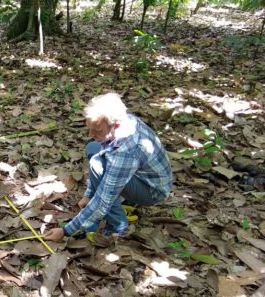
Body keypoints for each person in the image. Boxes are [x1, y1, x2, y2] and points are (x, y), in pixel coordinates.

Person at [43, 93, 172, 241]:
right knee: (93, 147)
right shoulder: (123, 121)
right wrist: (89, 195)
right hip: (139, 174)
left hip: (153, 191)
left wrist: (66, 231)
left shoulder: (127, 150)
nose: (91, 134)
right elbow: (103, 150)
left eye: (97, 131)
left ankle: (118, 226)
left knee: (98, 165)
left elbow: (105, 197)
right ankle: (112, 211)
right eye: (90, 129)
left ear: (115, 126)